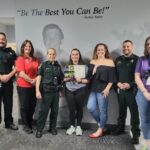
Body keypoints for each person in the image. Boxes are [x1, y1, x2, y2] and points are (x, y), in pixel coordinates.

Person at [112, 40, 140, 145]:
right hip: (121, 90)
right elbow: (114, 75)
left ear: (132, 47)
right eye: (124, 47)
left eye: (128, 46)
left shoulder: (137, 59)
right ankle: (120, 128)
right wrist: (117, 83)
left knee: (134, 114)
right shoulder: (118, 59)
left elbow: (139, 76)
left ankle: (136, 135)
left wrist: (130, 84)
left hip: (132, 91)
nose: (126, 48)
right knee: (121, 111)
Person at [87, 43, 116, 138]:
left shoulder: (110, 62)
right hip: (93, 88)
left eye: (102, 49)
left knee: (103, 110)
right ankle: (101, 124)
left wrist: (107, 89)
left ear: (105, 50)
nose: (100, 51)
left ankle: (100, 130)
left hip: (103, 89)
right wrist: (94, 70)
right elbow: (88, 77)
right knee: (90, 107)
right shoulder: (92, 61)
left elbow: (112, 78)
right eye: (98, 49)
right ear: (96, 51)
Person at [35, 48, 64, 138]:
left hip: (55, 93)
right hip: (46, 92)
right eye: (50, 54)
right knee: (43, 112)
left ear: (55, 55)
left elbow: (61, 80)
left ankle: (52, 128)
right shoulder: (43, 65)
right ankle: (39, 130)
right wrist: (37, 90)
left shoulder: (58, 66)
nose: (52, 56)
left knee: (55, 111)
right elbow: (39, 78)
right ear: (47, 55)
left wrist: (60, 90)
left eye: (53, 54)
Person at [15, 40, 39, 134]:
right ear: (23, 48)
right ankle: (25, 125)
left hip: (33, 86)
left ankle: (29, 122)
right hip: (23, 86)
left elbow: (39, 72)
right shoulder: (20, 59)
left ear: (31, 48)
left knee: (32, 106)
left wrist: (35, 80)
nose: (28, 48)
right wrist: (32, 81)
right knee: (25, 106)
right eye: (26, 46)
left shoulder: (35, 59)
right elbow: (21, 73)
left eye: (29, 46)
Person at [64, 48, 89, 136]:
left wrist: (81, 80)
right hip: (69, 90)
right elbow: (64, 79)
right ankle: (71, 126)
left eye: (76, 54)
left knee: (79, 108)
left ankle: (78, 126)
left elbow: (88, 80)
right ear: (70, 56)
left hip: (80, 89)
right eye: (73, 54)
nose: (75, 56)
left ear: (79, 56)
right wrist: (69, 77)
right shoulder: (67, 67)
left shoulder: (84, 67)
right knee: (71, 109)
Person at [0, 32, 18, 130]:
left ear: (6, 41)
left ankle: (8, 122)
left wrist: (8, 76)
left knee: (8, 103)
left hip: (8, 82)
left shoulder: (11, 52)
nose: (1, 41)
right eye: (0, 39)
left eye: (3, 39)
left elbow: (17, 66)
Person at [135, 36, 150, 149]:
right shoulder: (141, 59)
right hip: (143, 93)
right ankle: (148, 142)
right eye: (147, 44)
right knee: (145, 119)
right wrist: (145, 92)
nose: (149, 45)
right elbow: (137, 77)